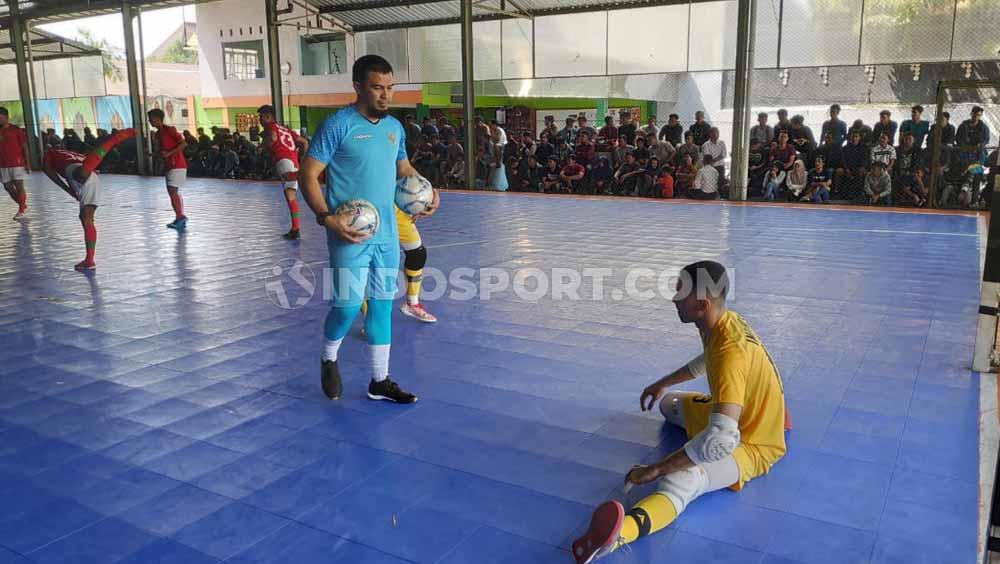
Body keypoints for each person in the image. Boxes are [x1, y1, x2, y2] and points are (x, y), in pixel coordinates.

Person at [572, 261, 786, 564]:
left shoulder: (730, 355)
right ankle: (766, 416)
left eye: (680, 293)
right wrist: (663, 383)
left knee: (682, 480)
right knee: (668, 403)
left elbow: (720, 442)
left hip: (751, 444)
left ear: (701, 304)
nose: (674, 299)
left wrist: (657, 468)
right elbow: (707, 359)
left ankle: (617, 536)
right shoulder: (721, 323)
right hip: (736, 412)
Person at [299, 54, 439, 405]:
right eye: (378, 87)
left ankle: (380, 381)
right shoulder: (338, 124)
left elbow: (404, 169)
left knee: (381, 307)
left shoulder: (394, 128)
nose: (386, 95)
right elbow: (308, 174)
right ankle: (329, 357)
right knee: (347, 307)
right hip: (350, 233)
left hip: (387, 234)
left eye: (390, 88)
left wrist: (425, 192)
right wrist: (325, 217)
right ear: (358, 86)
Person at [42, 148, 101, 270]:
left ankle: (89, 260)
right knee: (86, 217)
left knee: (86, 219)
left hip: (75, 172)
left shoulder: (49, 154)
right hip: (93, 177)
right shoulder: (74, 153)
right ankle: (89, 259)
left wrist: (68, 190)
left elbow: (48, 171)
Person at [258, 105, 309, 240]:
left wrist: (262, 147)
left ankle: (295, 229)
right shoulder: (285, 129)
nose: (259, 120)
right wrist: (301, 161)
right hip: (293, 161)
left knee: (290, 192)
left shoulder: (270, 127)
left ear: (268, 116)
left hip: (283, 160)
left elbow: (273, 138)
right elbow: (304, 142)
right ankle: (295, 228)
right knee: (290, 195)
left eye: (261, 116)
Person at [147, 109, 188, 231]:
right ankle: (179, 217)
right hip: (169, 165)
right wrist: (154, 154)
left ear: (157, 119)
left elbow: (183, 144)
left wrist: (170, 153)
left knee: (173, 191)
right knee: (172, 192)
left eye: (151, 119)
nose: (149, 121)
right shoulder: (159, 134)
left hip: (177, 164)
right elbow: (163, 151)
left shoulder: (170, 130)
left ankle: (180, 217)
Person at [0, 107, 30, 220]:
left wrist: (27, 162)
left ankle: (21, 210)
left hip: (16, 163)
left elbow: (24, 147)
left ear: (7, 118)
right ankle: (22, 203)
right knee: (8, 187)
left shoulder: (16, 130)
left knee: (19, 186)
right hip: (2, 164)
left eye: (1, 118)